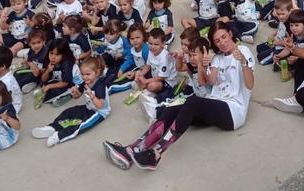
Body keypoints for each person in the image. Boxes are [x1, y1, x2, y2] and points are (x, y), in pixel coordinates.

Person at [102, 23, 254, 171]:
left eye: (224, 37)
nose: (222, 42)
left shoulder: (243, 51)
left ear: (231, 34)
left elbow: (250, 84)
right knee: (174, 108)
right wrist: (206, 65)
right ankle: (131, 150)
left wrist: (243, 63)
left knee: (192, 102)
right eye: (217, 40)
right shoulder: (218, 58)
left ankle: (156, 154)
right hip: (214, 105)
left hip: (234, 111)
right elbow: (212, 83)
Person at [32, 56, 111, 147]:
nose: (84, 77)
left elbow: (100, 105)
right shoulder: (85, 82)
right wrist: (75, 92)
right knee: (69, 112)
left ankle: (58, 136)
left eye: (88, 74)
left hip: (99, 112)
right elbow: (78, 96)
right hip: (88, 107)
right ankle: (52, 127)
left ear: (97, 73)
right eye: (82, 74)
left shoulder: (99, 85)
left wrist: (91, 95)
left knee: (81, 125)